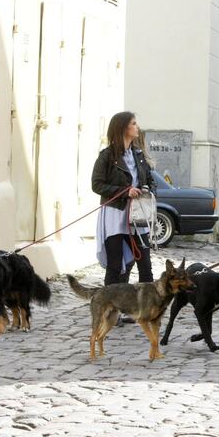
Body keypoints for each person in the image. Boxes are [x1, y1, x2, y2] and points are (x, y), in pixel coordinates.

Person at [92, 111, 156, 323]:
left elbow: (150, 180)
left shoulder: (138, 154)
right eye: (134, 124)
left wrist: (146, 188)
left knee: (144, 263)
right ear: (123, 128)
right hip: (115, 215)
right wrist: (124, 190)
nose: (137, 127)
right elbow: (97, 184)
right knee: (116, 265)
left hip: (137, 216)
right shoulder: (107, 156)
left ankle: (146, 310)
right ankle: (109, 311)